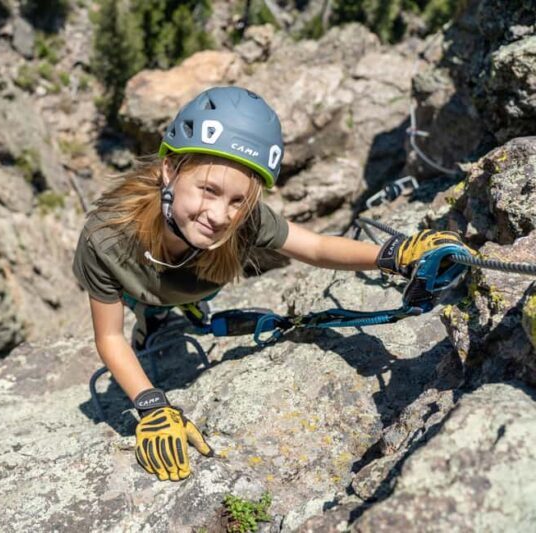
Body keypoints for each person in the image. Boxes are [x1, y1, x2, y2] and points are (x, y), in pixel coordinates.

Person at [72, 86, 471, 482]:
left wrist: (396, 255)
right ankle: (156, 313)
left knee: (188, 287)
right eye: (208, 190)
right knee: (148, 305)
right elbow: (110, 336)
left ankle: (178, 306)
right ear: (170, 170)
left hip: (194, 282)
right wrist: (152, 406)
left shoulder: (246, 223)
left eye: (237, 201)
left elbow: (315, 247)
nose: (219, 215)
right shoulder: (106, 239)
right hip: (137, 285)